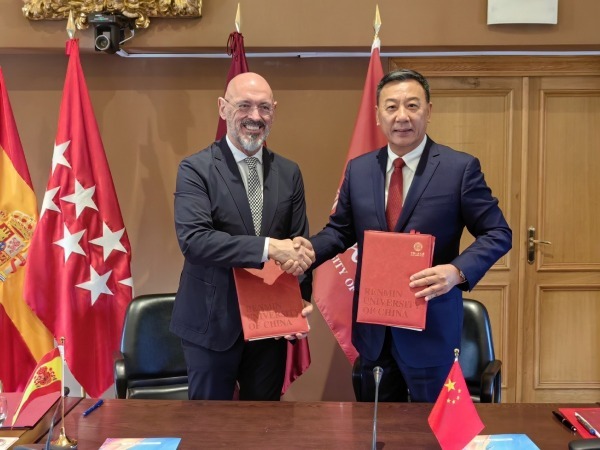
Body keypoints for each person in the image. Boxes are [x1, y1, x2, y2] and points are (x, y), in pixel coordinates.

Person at [300, 68, 512, 402]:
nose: (402, 116)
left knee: (432, 425)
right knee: (379, 424)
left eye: (412, 105)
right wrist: (307, 251)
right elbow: (340, 231)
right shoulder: (360, 169)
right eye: (392, 107)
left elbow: (498, 232)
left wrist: (456, 271)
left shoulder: (459, 169)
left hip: (431, 328)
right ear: (378, 115)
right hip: (375, 333)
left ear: (429, 111)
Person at [170, 72, 314, 401]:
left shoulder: (289, 172)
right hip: (211, 324)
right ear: (223, 108)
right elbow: (195, 242)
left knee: (263, 424)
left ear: (274, 111)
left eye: (264, 107)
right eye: (244, 106)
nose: (255, 116)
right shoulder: (195, 169)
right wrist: (268, 247)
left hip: (271, 326)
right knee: (210, 424)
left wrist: (300, 298)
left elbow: (297, 244)